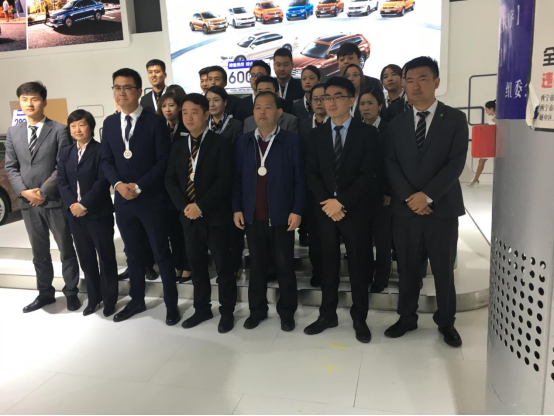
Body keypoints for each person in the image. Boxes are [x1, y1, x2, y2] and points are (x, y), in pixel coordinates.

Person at [385, 57, 468, 348]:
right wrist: (411, 198)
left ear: (436, 82)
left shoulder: (454, 119)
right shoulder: (396, 124)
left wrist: (428, 195)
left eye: (422, 79)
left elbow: (455, 163)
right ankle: (406, 317)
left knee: (443, 270)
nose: (415, 85)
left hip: (441, 209)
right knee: (407, 268)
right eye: (409, 80)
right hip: (406, 210)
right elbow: (391, 164)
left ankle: (446, 322)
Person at [101, 68, 180, 326]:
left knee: (161, 254)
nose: (121, 92)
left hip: (150, 199)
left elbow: (163, 161)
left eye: (127, 87)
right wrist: (118, 185)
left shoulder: (155, 122)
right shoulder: (109, 124)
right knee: (133, 254)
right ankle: (137, 300)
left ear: (138, 91)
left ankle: (171, 305)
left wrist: (139, 186)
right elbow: (106, 161)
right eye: (117, 88)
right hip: (123, 201)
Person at [304, 77, 381, 344]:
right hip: (325, 211)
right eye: (326, 97)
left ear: (351, 100)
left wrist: (342, 202)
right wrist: (328, 202)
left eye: (338, 96)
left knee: (359, 265)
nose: (331, 102)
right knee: (327, 264)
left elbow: (368, 173)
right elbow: (311, 174)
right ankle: (327, 314)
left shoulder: (367, 134)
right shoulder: (315, 135)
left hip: (355, 210)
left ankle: (360, 317)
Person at [5, 82, 81, 313]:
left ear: (44, 101)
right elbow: (11, 167)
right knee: (39, 252)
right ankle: (45, 293)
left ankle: (71, 292)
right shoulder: (13, 132)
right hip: (28, 204)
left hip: (54, 201)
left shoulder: (59, 130)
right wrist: (23, 192)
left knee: (66, 249)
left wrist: (42, 192)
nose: (29, 103)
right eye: (24, 99)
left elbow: (62, 166)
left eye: (34, 98)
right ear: (20, 102)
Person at [233, 91, 305, 332]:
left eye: (268, 107)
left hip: (282, 215)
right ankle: (257, 310)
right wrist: (237, 208)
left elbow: (300, 180)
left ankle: (287, 312)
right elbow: (237, 179)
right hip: (253, 216)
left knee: (284, 266)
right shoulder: (244, 142)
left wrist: (297, 209)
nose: (262, 112)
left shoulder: (292, 141)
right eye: (258, 107)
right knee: (257, 267)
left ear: (279, 112)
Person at [166, 93, 237, 334]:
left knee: (224, 268)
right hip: (188, 218)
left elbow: (224, 180)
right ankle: (202, 308)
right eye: (184, 112)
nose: (188, 117)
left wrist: (201, 206)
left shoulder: (221, 143)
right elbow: (170, 180)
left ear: (206, 114)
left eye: (194, 112)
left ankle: (227, 311)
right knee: (196, 267)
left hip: (215, 217)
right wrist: (184, 206)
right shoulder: (178, 146)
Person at [56, 110, 119, 317]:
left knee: (106, 257)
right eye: (73, 126)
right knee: (86, 258)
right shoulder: (66, 152)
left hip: (98, 213)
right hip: (75, 216)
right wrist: (72, 205)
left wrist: (84, 205)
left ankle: (109, 299)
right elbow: (62, 182)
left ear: (90, 127)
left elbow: (102, 181)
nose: (77, 129)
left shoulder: (101, 150)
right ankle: (93, 298)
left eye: (81, 125)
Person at [359, 87, 392, 293]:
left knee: (382, 238)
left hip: (383, 193)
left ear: (380, 106)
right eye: (362, 103)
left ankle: (382, 277)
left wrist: (388, 190)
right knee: (363, 237)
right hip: (360, 193)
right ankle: (365, 273)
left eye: (370, 103)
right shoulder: (355, 129)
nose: (365, 107)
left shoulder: (389, 130)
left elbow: (391, 163)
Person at [158, 91, 192, 283]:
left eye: (171, 105)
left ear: (179, 107)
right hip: (165, 187)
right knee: (172, 231)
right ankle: (178, 264)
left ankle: (188, 265)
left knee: (185, 230)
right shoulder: (159, 128)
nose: (168, 109)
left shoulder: (186, 127)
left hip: (185, 184)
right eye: (164, 106)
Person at [298, 83, 328, 288]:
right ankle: (318, 271)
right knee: (314, 235)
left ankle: (331, 271)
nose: (319, 102)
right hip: (309, 189)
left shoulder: (338, 124)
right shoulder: (302, 125)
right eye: (315, 98)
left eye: (323, 98)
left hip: (333, 190)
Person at [468, 100, 496, 188]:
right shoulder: (495, 117)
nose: (486, 111)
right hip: (491, 143)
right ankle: (475, 180)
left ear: (491, 109)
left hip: (493, 144)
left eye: (487, 109)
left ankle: (475, 180)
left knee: (481, 161)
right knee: (481, 161)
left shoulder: (496, 118)